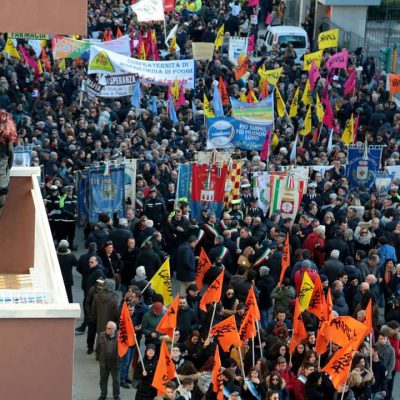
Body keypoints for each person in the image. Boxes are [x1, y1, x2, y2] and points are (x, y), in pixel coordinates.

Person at [95, 321, 121, 400]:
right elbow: (97, 348)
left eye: (109, 328)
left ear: (114, 329)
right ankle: (103, 394)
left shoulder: (120, 336)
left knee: (116, 380)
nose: (107, 329)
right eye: (106, 327)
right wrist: (99, 358)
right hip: (104, 362)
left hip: (115, 362)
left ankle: (116, 395)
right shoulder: (101, 335)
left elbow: (124, 349)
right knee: (103, 380)